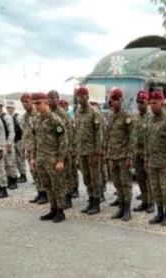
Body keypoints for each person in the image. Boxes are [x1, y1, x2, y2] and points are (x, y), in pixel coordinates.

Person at [31, 93, 69, 223]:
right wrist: (33, 157)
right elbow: (35, 140)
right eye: (34, 103)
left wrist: (61, 160)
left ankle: (60, 211)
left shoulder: (55, 119)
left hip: (53, 160)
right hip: (41, 159)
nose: (36, 106)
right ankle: (53, 208)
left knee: (57, 185)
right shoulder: (36, 120)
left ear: (45, 103)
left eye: (38, 103)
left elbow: (63, 141)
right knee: (47, 185)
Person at [143, 90, 166, 226]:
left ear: (162, 104)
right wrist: (146, 159)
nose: (152, 106)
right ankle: (159, 213)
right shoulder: (149, 120)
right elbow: (146, 141)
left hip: (165, 163)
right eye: (151, 103)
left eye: (155, 103)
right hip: (152, 162)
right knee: (155, 189)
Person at [73, 86, 105, 214]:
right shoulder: (77, 112)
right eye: (78, 95)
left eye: (83, 95)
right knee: (86, 178)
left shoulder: (94, 113)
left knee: (95, 178)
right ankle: (91, 200)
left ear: (87, 97)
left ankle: (96, 202)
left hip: (92, 152)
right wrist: (76, 149)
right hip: (82, 151)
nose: (80, 98)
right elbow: (77, 132)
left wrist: (97, 152)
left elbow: (99, 134)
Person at [105, 88, 134, 221]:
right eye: (112, 99)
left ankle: (127, 209)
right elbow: (108, 135)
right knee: (117, 183)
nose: (114, 102)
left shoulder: (127, 116)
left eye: (116, 99)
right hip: (113, 155)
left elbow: (132, 137)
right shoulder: (110, 115)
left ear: (121, 100)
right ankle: (121, 208)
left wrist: (129, 156)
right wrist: (107, 153)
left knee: (125, 183)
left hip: (123, 156)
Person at [49, 90, 76, 206]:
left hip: (64, 149)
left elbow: (69, 132)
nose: (50, 100)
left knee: (66, 175)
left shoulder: (62, 113)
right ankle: (59, 198)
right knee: (57, 176)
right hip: (53, 150)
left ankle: (68, 197)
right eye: (49, 98)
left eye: (53, 98)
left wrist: (68, 148)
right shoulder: (49, 112)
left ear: (58, 99)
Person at [131, 90, 154, 213]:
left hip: (148, 153)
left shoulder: (152, 117)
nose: (140, 104)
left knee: (149, 178)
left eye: (142, 102)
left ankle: (151, 202)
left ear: (147, 102)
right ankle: (144, 201)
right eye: (138, 102)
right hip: (137, 152)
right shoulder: (135, 116)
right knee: (140, 177)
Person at [8, 100, 29, 184]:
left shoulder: (18, 117)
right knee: (15, 159)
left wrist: (24, 142)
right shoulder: (8, 116)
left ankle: (24, 175)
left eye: (10, 107)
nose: (9, 109)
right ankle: (20, 174)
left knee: (21, 158)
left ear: (14, 108)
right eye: (8, 107)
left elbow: (23, 130)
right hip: (13, 141)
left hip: (19, 140)